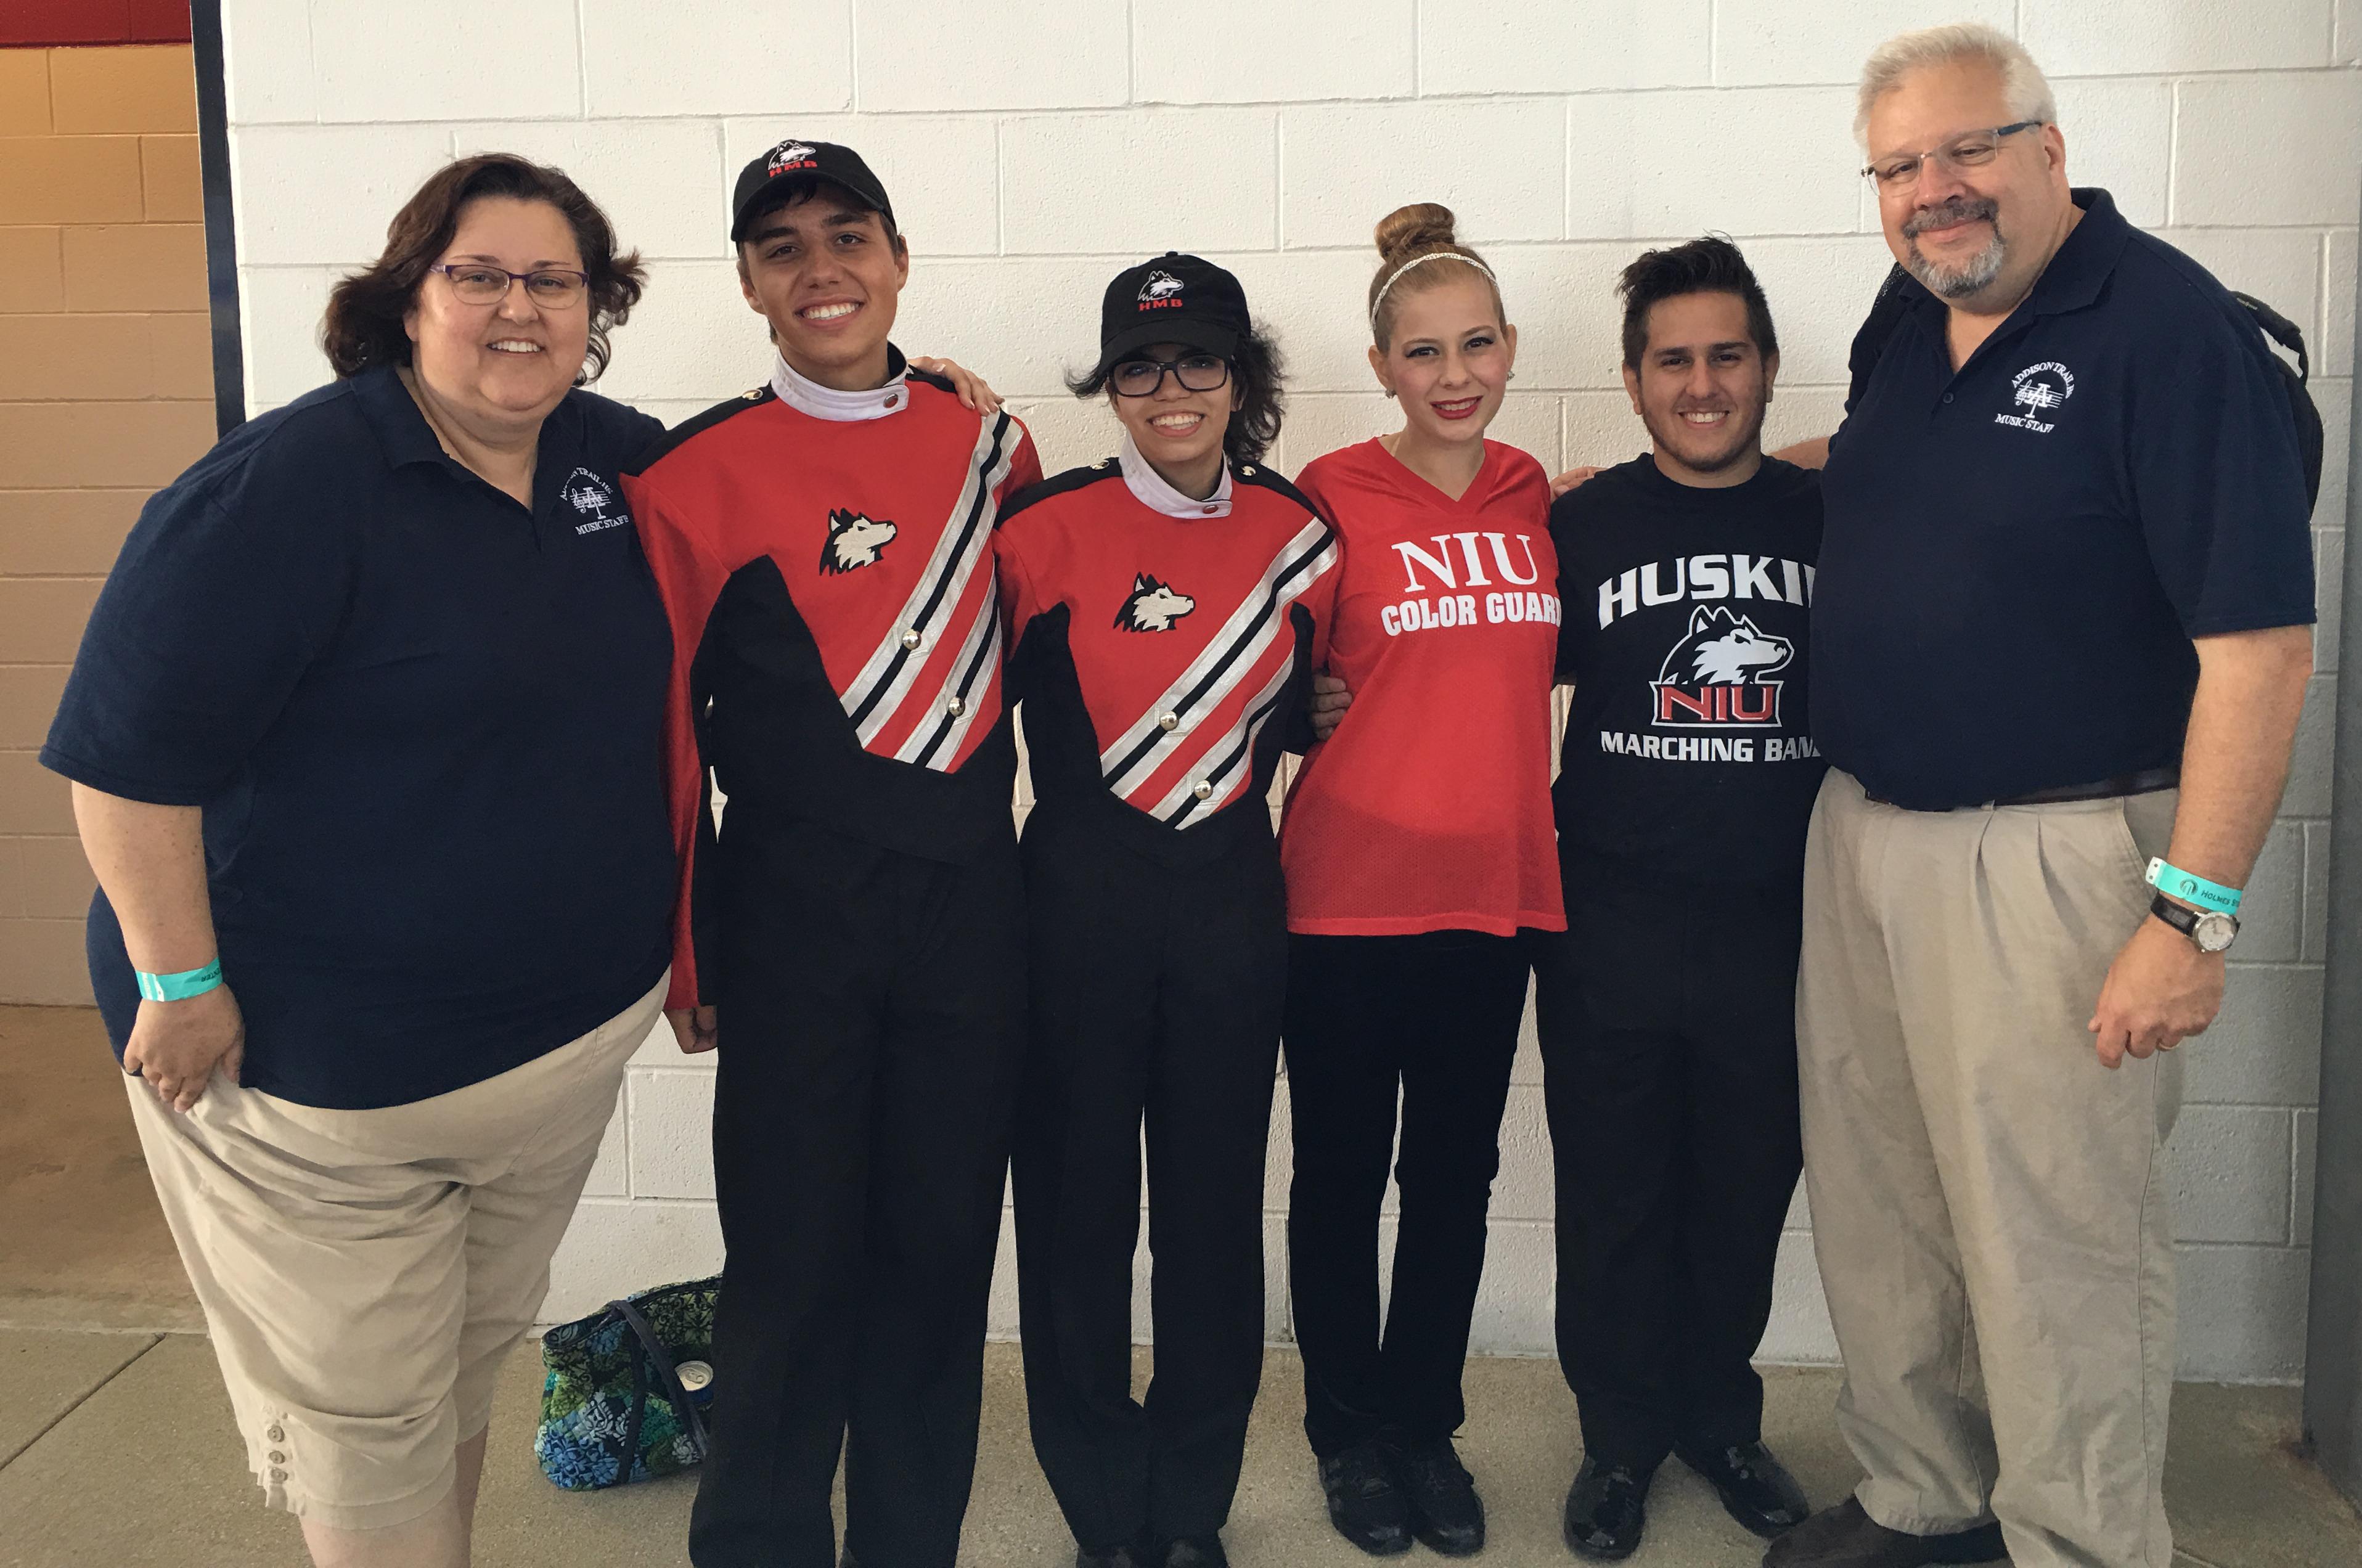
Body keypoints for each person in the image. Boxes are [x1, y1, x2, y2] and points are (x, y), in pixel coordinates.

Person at [41, 153, 677, 1568]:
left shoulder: (609, 459)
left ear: (594, 308)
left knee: (454, 1371)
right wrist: (179, 979)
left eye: (552, 280)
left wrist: (915, 392)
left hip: (544, 1066)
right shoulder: (286, 487)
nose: (519, 307)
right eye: (478, 275)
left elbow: (771, 485)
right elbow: (123, 763)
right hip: (314, 1088)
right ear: (406, 300)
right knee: (366, 1430)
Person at [1770, 25, 2316, 1568]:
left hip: (2055, 859)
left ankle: (2076, 1541)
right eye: (1896, 168)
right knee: (1887, 1205)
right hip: (1865, 832)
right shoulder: (1912, 306)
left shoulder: (2167, 335)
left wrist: (2188, 919)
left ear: (2049, 149)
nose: (1932, 193)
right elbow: (1884, 467)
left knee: (2053, 1241)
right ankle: (1925, 1496)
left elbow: (2260, 652)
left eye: (1965, 153)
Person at [623, 137, 1043, 1568]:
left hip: (969, 909)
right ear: (746, 280)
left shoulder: (996, 445)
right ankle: (757, 1542)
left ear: (898, 259)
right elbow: (667, 733)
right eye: (784, 246)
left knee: (936, 1261)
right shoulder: (689, 475)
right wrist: (688, 942)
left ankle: (908, 1544)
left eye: (847, 236)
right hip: (791, 910)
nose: (822, 269)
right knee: (792, 1268)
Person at [999, 253, 1339, 1568]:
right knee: (1076, 1221)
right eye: (1140, 367)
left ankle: (1188, 1506)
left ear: (1240, 378)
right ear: (1111, 386)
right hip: (1072, 909)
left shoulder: (1303, 538)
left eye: (1199, 359)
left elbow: (1331, 698)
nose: (1171, 389)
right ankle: (1100, 1506)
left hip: (1228, 910)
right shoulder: (1037, 535)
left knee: (1208, 1221)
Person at [1279, 203, 1565, 1559]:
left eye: (1474, 345)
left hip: (1494, 897)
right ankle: (1347, 1439)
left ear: (1507, 347)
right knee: (1339, 1178)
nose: (1453, 373)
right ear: (1382, 364)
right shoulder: (1327, 497)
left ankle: (1422, 1425)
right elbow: (1248, 665)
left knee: (1453, 1176)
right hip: (1341, 899)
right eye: (1422, 352)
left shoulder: (1532, 496)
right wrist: (1302, 706)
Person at [1534, 237, 1819, 1562]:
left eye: (1724, 356)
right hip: (1610, 919)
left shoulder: (1829, 516)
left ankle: (1717, 1415)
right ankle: (1616, 1438)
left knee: (1742, 1191)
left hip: (1780, 924)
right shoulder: (1577, 527)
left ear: (1763, 369)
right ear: (1635, 382)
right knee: (1613, 1197)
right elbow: (1462, 666)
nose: (1700, 384)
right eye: (1672, 362)